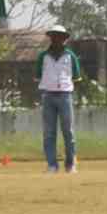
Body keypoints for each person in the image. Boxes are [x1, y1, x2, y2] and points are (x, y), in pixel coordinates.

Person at [37, 25, 89, 174]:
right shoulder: (43, 56)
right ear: (50, 38)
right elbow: (38, 76)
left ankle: (70, 164)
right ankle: (52, 165)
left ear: (64, 39)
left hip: (65, 95)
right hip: (48, 95)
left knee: (68, 132)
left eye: (60, 36)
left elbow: (76, 78)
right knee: (49, 133)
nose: (57, 39)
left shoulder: (70, 56)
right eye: (54, 36)